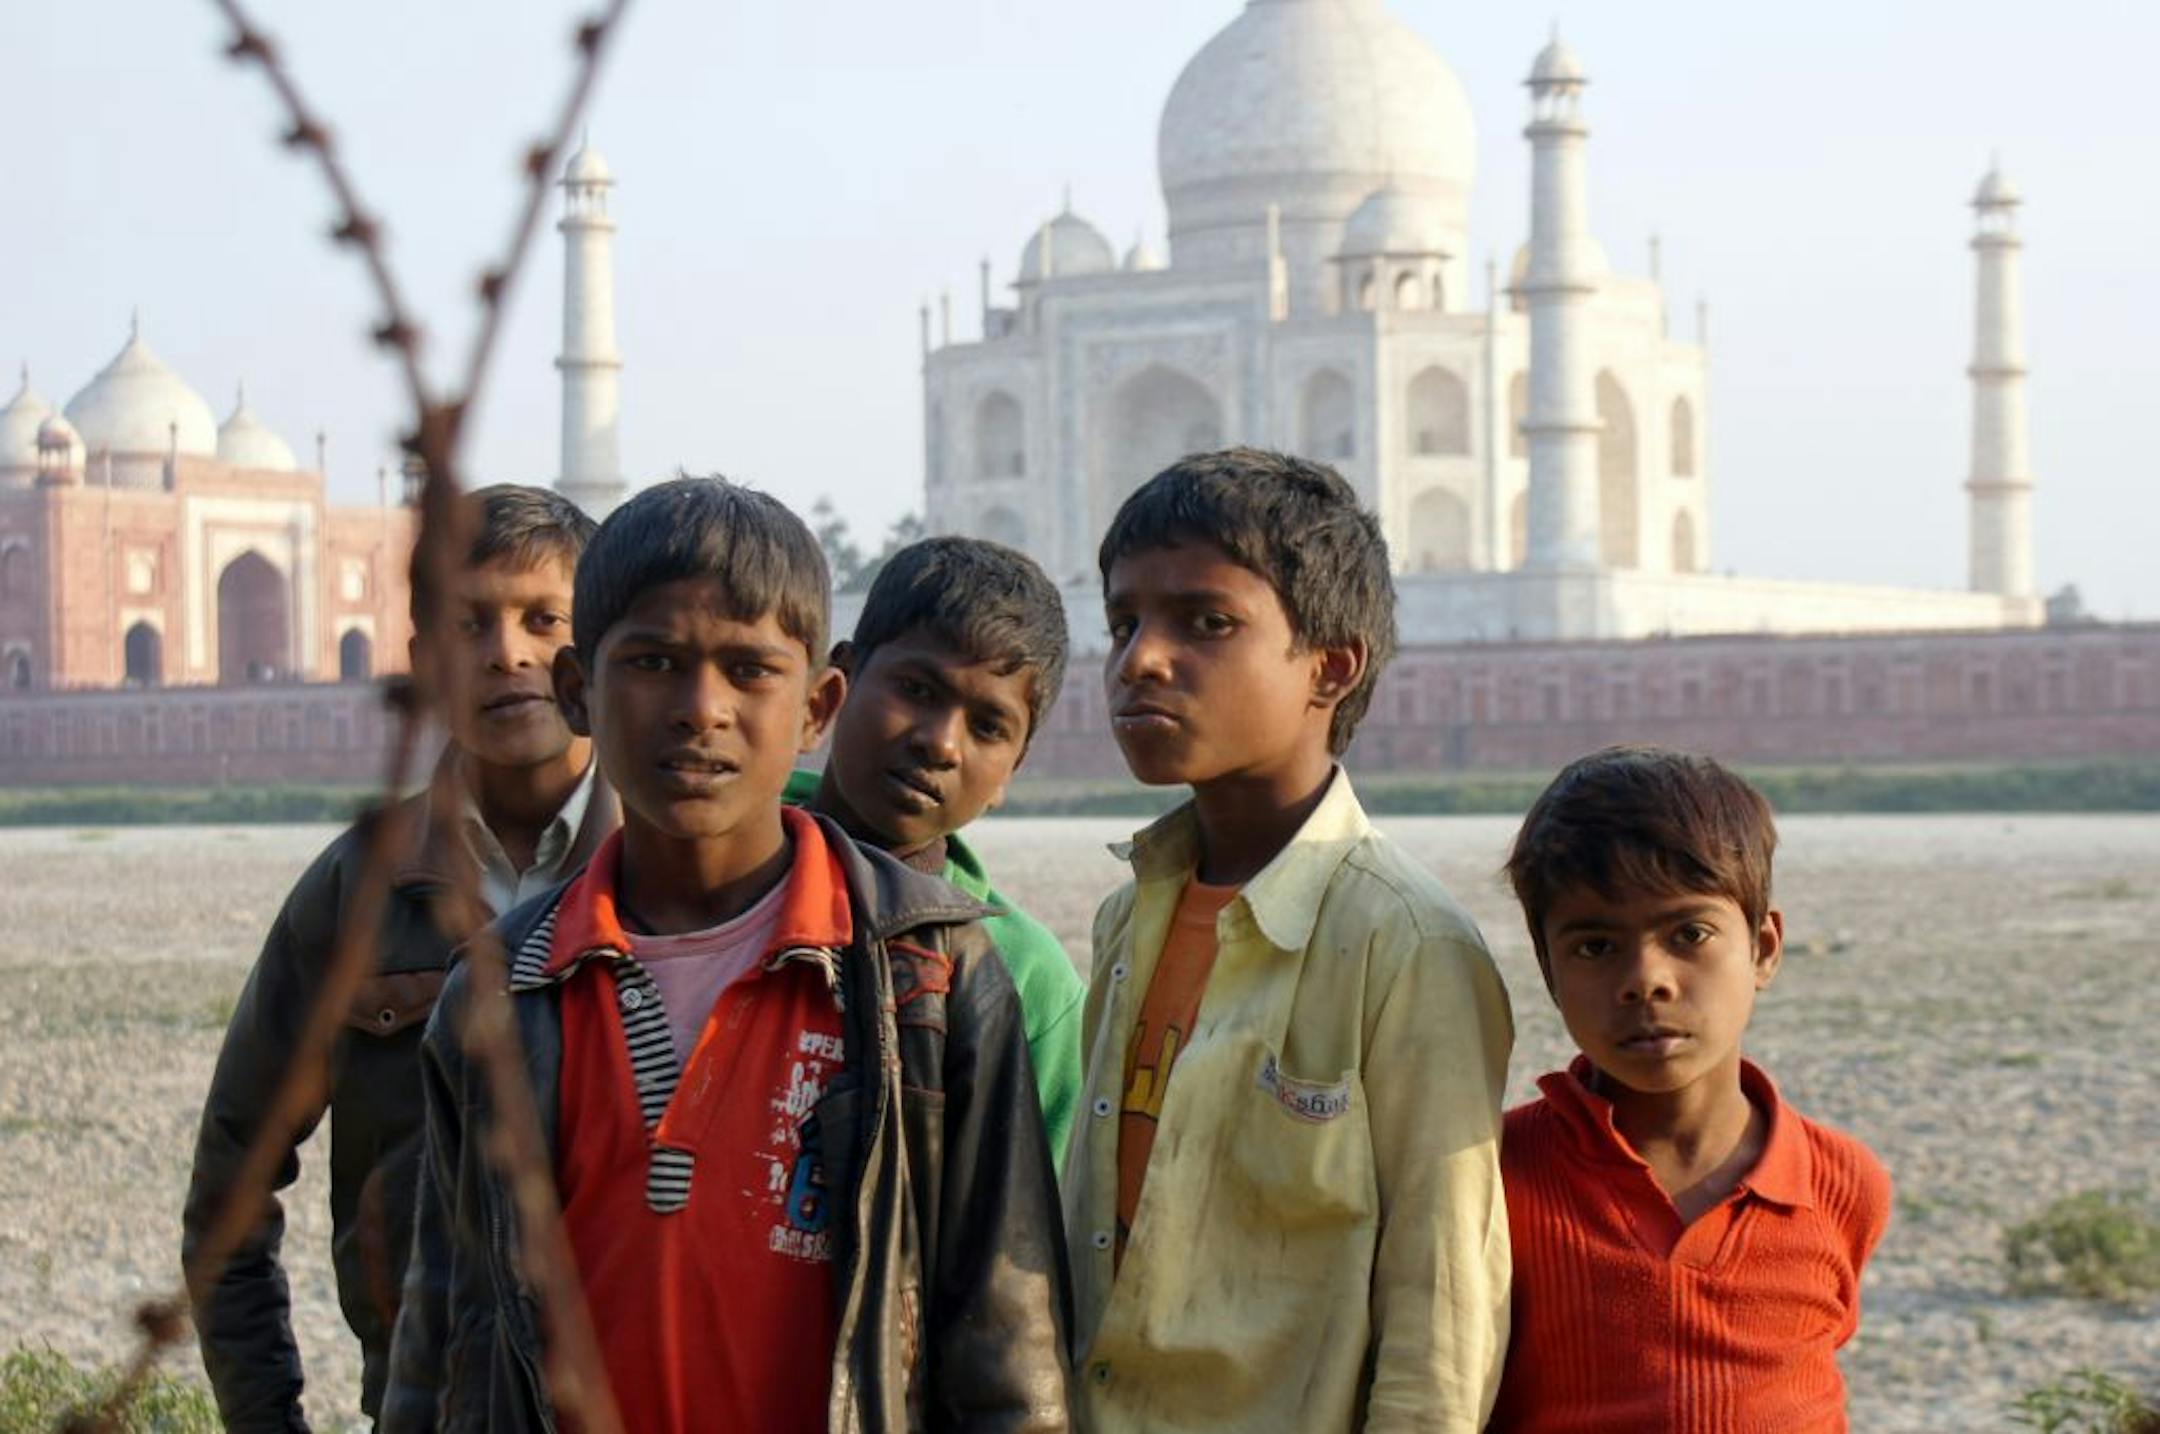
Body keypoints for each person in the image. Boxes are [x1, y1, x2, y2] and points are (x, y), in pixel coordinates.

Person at [382, 476, 1071, 1433]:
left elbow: (1007, 1355)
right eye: (655, 662)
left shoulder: (933, 974)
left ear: (818, 705)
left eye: (750, 671)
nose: (700, 708)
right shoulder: (504, 990)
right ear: (578, 689)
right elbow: (445, 1341)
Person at [1063, 448, 1514, 1432]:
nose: (1141, 657)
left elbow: (1442, 1310)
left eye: (1206, 622)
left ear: (1331, 664)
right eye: (1123, 621)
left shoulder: (1399, 941)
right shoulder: (1129, 918)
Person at [184, 484, 610, 1431]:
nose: (509, 653)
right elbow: (231, 1183)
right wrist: (266, 1417)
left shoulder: (672, 874)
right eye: (471, 625)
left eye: (545, 620)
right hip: (430, 1403)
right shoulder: (356, 896)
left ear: (597, 653)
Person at [1491, 745, 1893, 1432]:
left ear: (1764, 948)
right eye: (1594, 946)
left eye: (1689, 933)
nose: (1646, 978)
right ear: (1548, 969)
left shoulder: (1838, 1182)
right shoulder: (1495, 1172)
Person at [784, 535, 1084, 1167]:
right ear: (837, 684)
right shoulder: (717, 871)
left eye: (987, 726)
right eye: (917, 690)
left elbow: (1033, 1230)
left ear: (1011, 772)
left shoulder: (1021, 974)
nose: (941, 744)